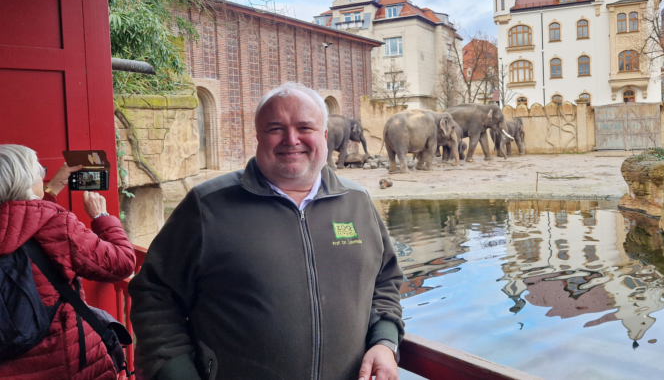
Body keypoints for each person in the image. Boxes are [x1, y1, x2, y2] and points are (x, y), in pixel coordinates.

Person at [130, 83, 404, 380]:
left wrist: (385, 341)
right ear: (258, 137)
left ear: (325, 135)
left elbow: (385, 280)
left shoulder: (357, 201)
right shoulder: (207, 206)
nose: (291, 139)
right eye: (275, 128)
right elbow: (154, 295)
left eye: (304, 127)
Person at [0, 144, 136, 380]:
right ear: (24, 180)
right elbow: (123, 263)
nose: (43, 178)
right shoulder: (58, 225)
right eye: (39, 171)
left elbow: (19, 223)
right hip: (63, 356)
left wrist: (55, 186)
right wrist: (102, 217)